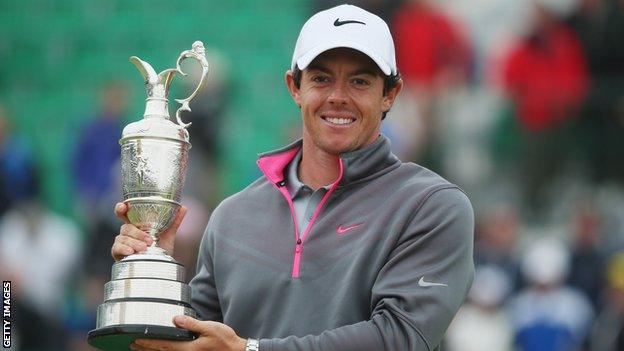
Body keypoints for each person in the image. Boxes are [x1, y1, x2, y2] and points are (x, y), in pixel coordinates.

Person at [112, 5, 474, 351]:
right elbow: (194, 342)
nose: (337, 97)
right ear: (294, 87)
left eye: (360, 82)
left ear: (390, 94)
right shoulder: (232, 216)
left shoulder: (432, 206)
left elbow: (398, 339)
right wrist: (153, 275)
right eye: (321, 78)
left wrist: (251, 350)